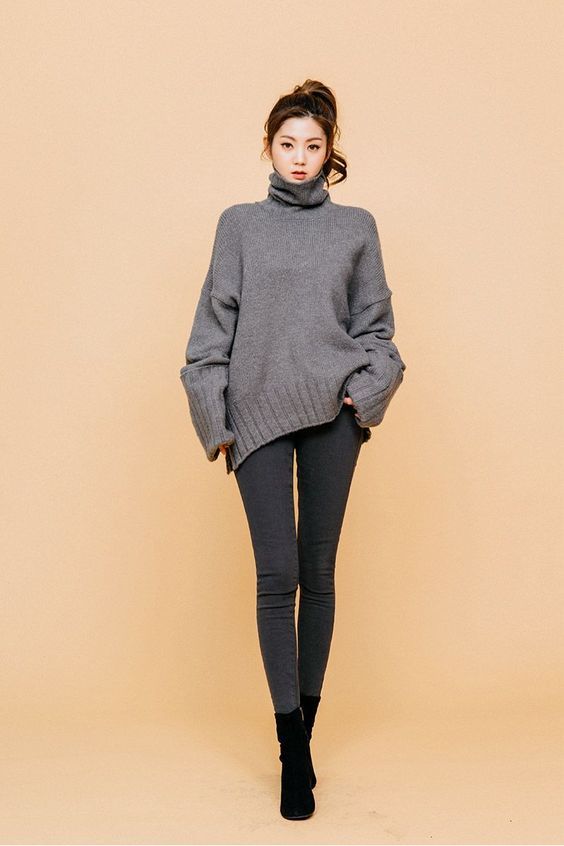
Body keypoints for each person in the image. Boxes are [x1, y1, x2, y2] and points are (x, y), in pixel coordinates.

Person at [179, 79, 407, 820]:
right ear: (268, 149)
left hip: (334, 414)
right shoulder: (239, 225)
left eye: (313, 145)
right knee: (277, 576)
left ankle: (304, 733)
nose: (300, 157)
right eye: (287, 144)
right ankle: (291, 747)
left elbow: (378, 334)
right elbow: (209, 336)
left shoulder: (356, 228)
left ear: (330, 150)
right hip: (258, 415)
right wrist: (216, 421)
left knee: (319, 573)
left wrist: (363, 396)